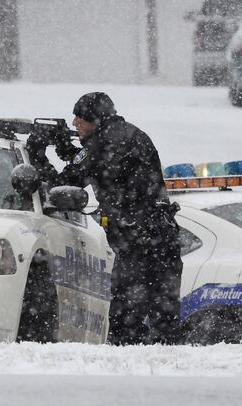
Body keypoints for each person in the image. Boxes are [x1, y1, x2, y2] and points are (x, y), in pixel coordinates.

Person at [26, 92, 183, 345]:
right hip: (159, 237)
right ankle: (168, 369)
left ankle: (130, 374)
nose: (75, 122)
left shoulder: (106, 143)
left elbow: (67, 180)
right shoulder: (126, 134)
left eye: (80, 117)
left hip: (139, 242)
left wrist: (38, 156)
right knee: (164, 317)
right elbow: (95, 164)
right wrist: (69, 149)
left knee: (125, 321)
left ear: (96, 119)